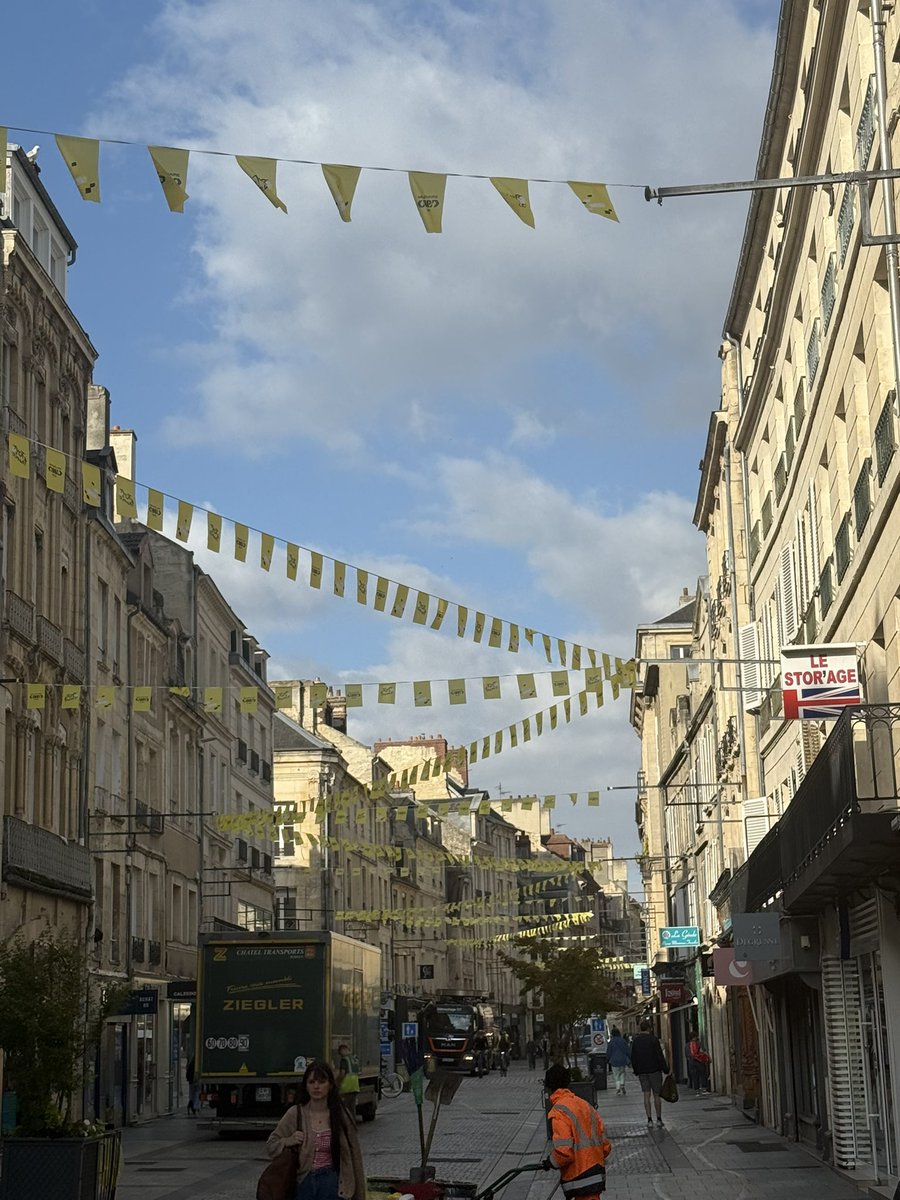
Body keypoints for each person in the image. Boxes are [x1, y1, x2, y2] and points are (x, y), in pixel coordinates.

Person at [266, 1060, 366, 1200]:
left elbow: (355, 1155)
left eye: (321, 1082)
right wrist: (288, 1140)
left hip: (332, 1182)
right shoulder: (295, 1114)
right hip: (303, 1183)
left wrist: (360, 1194)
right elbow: (271, 1145)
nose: (316, 1087)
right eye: (311, 1082)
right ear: (306, 1086)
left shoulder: (341, 1115)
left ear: (330, 1085)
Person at [543, 1064, 612, 1199]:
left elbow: (564, 1152)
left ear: (549, 1086)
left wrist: (550, 1162)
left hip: (579, 1176)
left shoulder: (559, 1112)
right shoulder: (585, 1105)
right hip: (596, 1172)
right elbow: (605, 1146)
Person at [630, 1019, 669, 1127]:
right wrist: (665, 1069)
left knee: (646, 1095)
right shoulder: (653, 1040)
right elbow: (659, 1056)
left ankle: (649, 1120)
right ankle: (659, 1119)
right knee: (657, 1095)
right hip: (655, 1070)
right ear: (649, 1028)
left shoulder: (636, 1041)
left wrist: (636, 1070)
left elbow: (633, 1057)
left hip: (642, 1071)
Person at [335, 1042, 360, 1122]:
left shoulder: (344, 1060)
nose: (340, 1055)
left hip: (346, 1087)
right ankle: (352, 1124)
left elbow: (342, 1073)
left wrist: (337, 1083)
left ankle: (345, 1125)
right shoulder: (355, 1059)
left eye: (340, 1052)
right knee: (352, 1108)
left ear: (343, 1050)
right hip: (355, 1086)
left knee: (344, 1108)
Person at [606, 1028, 631, 1096]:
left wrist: (607, 1059)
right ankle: (622, 1084)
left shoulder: (611, 1042)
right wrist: (630, 1058)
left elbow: (609, 1052)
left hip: (614, 1060)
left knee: (616, 1075)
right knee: (622, 1073)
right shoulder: (623, 1040)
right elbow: (627, 1050)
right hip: (623, 1060)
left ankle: (618, 1089)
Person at [687, 1030, 711, 1095]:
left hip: (691, 1063)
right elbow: (697, 1053)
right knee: (703, 1074)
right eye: (696, 1036)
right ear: (693, 1037)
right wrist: (705, 1057)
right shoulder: (695, 1044)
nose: (697, 1037)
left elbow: (687, 1054)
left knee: (695, 1076)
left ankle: (697, 1090)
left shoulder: (687, 1045)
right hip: (697, 1062)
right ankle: (703, 1089)